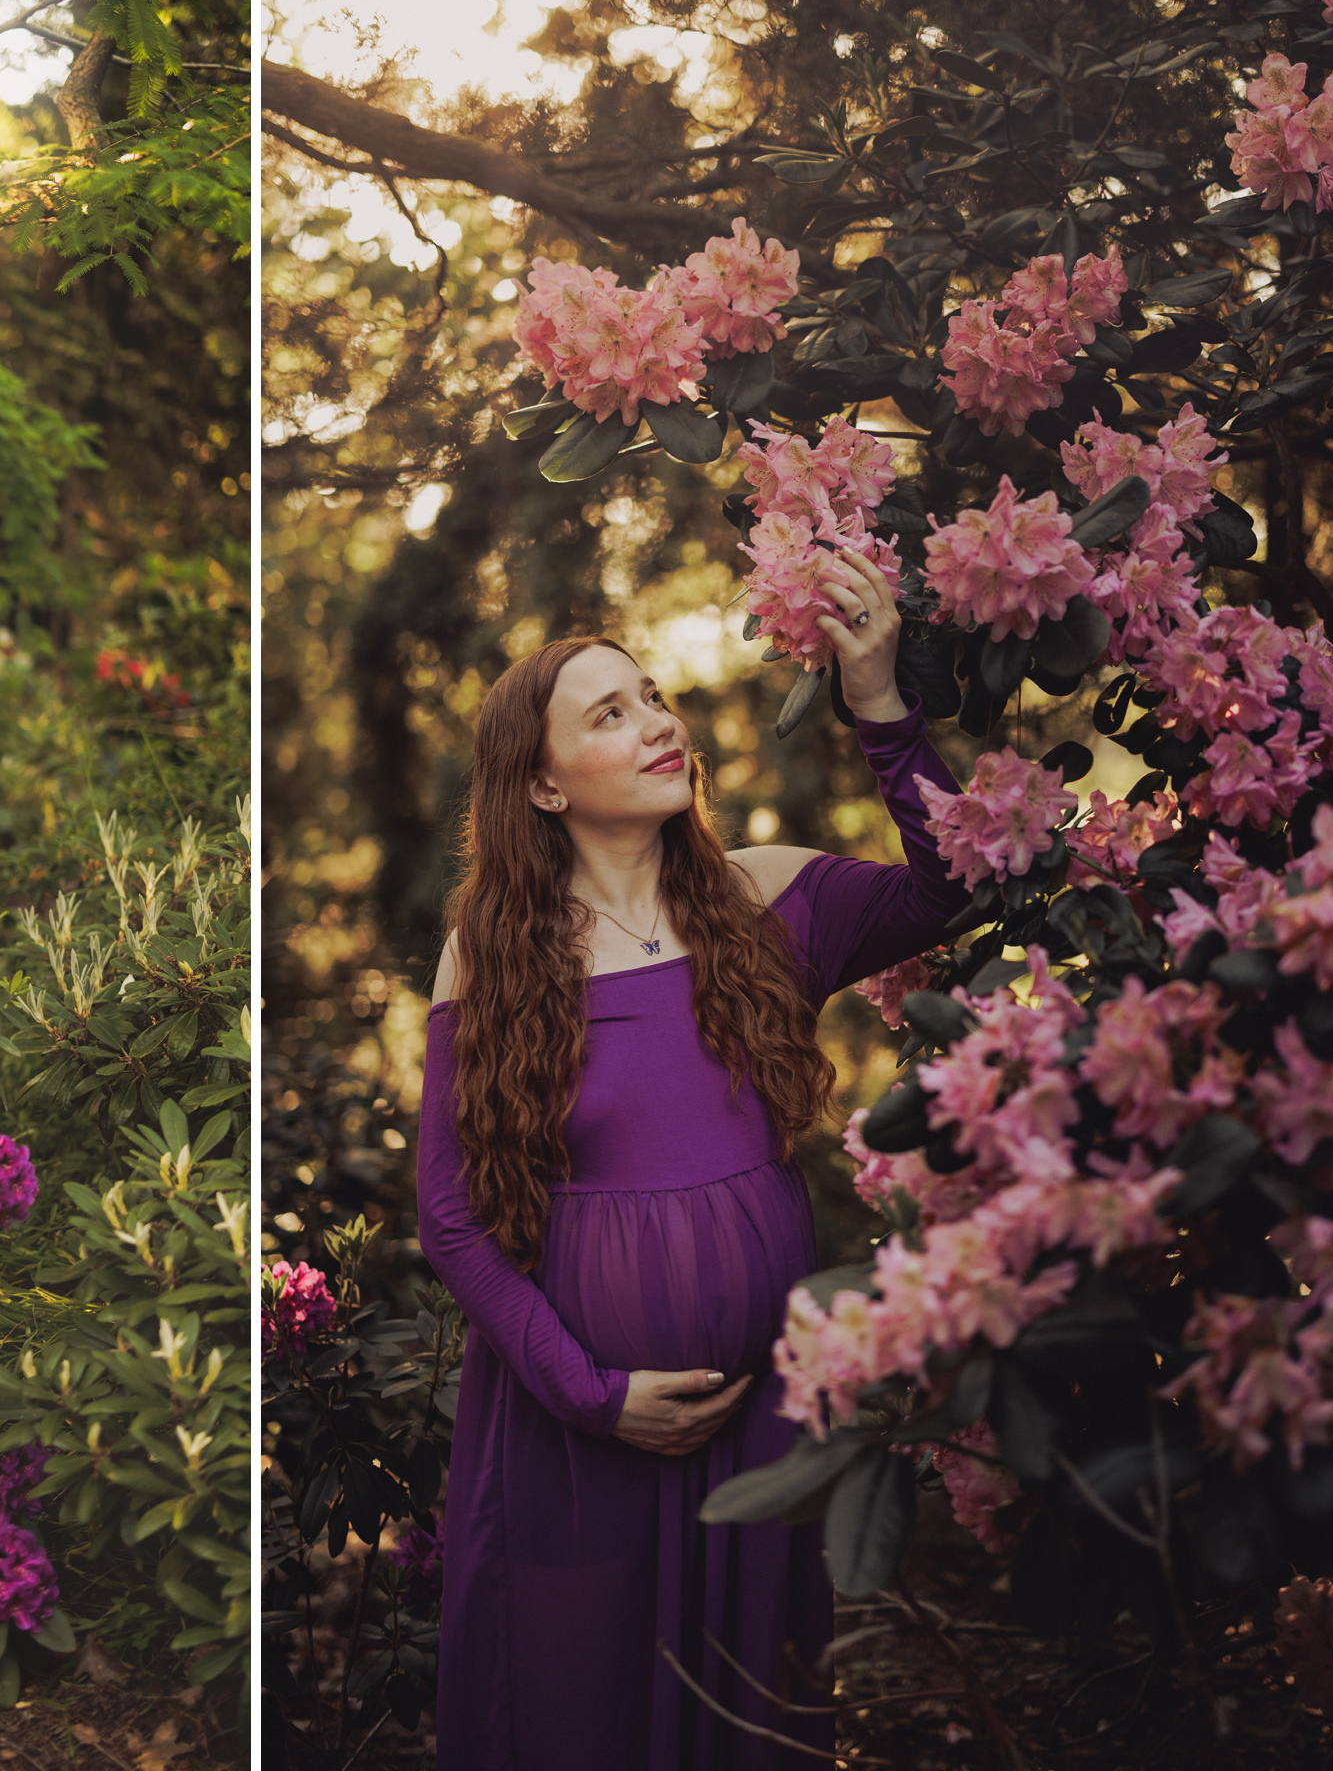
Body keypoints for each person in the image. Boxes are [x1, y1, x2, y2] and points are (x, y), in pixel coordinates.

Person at [418, 548, 968, 1766]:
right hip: (579, 1430)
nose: (655, 724)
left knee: (748, 1714)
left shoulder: (768, 901)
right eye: (607, 714)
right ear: (545, 786)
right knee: (577, 1712)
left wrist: (876, 700)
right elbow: (451, 1219)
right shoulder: (491, 962)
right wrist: (591, 1395)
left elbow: (951, 887)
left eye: (651, 697)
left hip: (757, 1419)